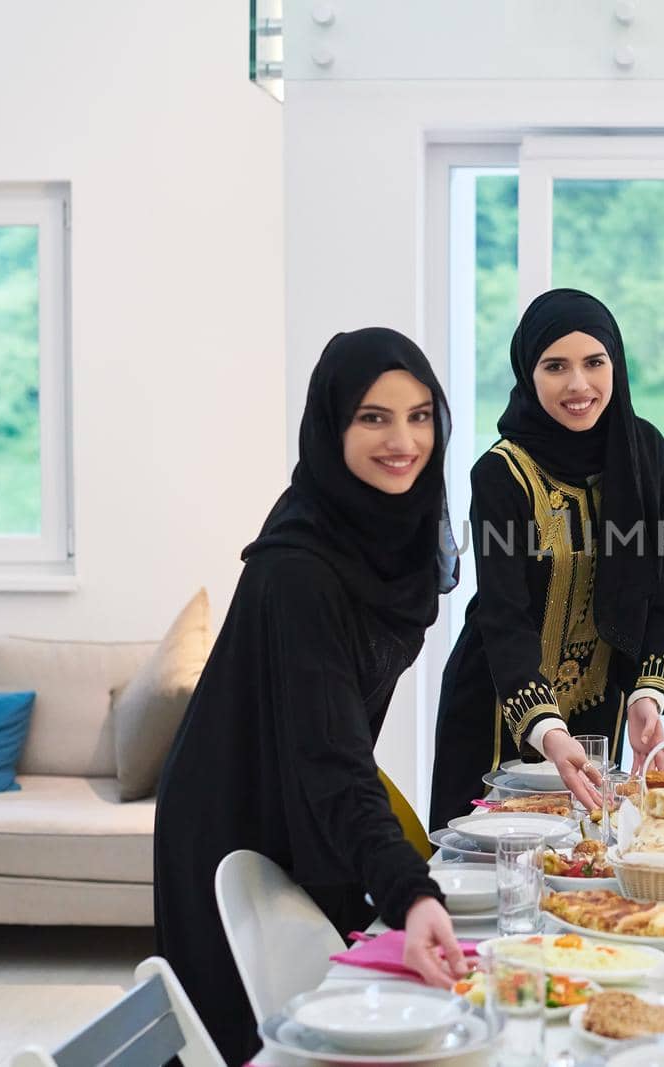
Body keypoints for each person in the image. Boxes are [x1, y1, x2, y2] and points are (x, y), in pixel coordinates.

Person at [154, 328, 466, 1065]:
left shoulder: (388, 533)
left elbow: (333, 746)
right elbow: (331, 756)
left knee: (329, 1011)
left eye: (420, 415)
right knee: (259, 1036)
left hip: (305, 791)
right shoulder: (303, 567)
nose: (403, 440)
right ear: (332, 425)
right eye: (373, 417)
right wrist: (412, 892)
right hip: (234, 816)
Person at [429, 288, 664, 827]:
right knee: (495, 873)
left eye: (595, 362)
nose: (578, 384)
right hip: (499, 708)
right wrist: (546, 729)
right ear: (528, 373)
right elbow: (504, 614)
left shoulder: (643, 449)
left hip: (600, 707)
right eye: (555, 366)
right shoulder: (501, 472)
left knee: (590, 858)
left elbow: (662, 584)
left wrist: (648, 694)